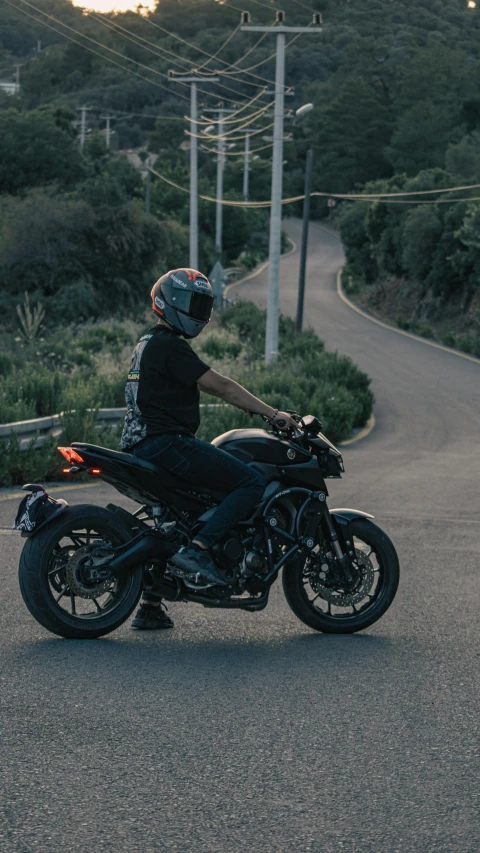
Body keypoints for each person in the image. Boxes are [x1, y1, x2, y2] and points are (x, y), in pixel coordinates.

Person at [121, 268, 297, 630]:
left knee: (173, 520)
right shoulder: (171, 345)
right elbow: (222, 386)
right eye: (189, 302)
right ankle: (200, 551)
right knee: (249, 482)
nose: (195, 310)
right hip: (165, 443)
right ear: (166, 303)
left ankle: (150, 605)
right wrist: (271, 413)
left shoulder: (148, 342)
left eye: (200, 303)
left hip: (142, 445)